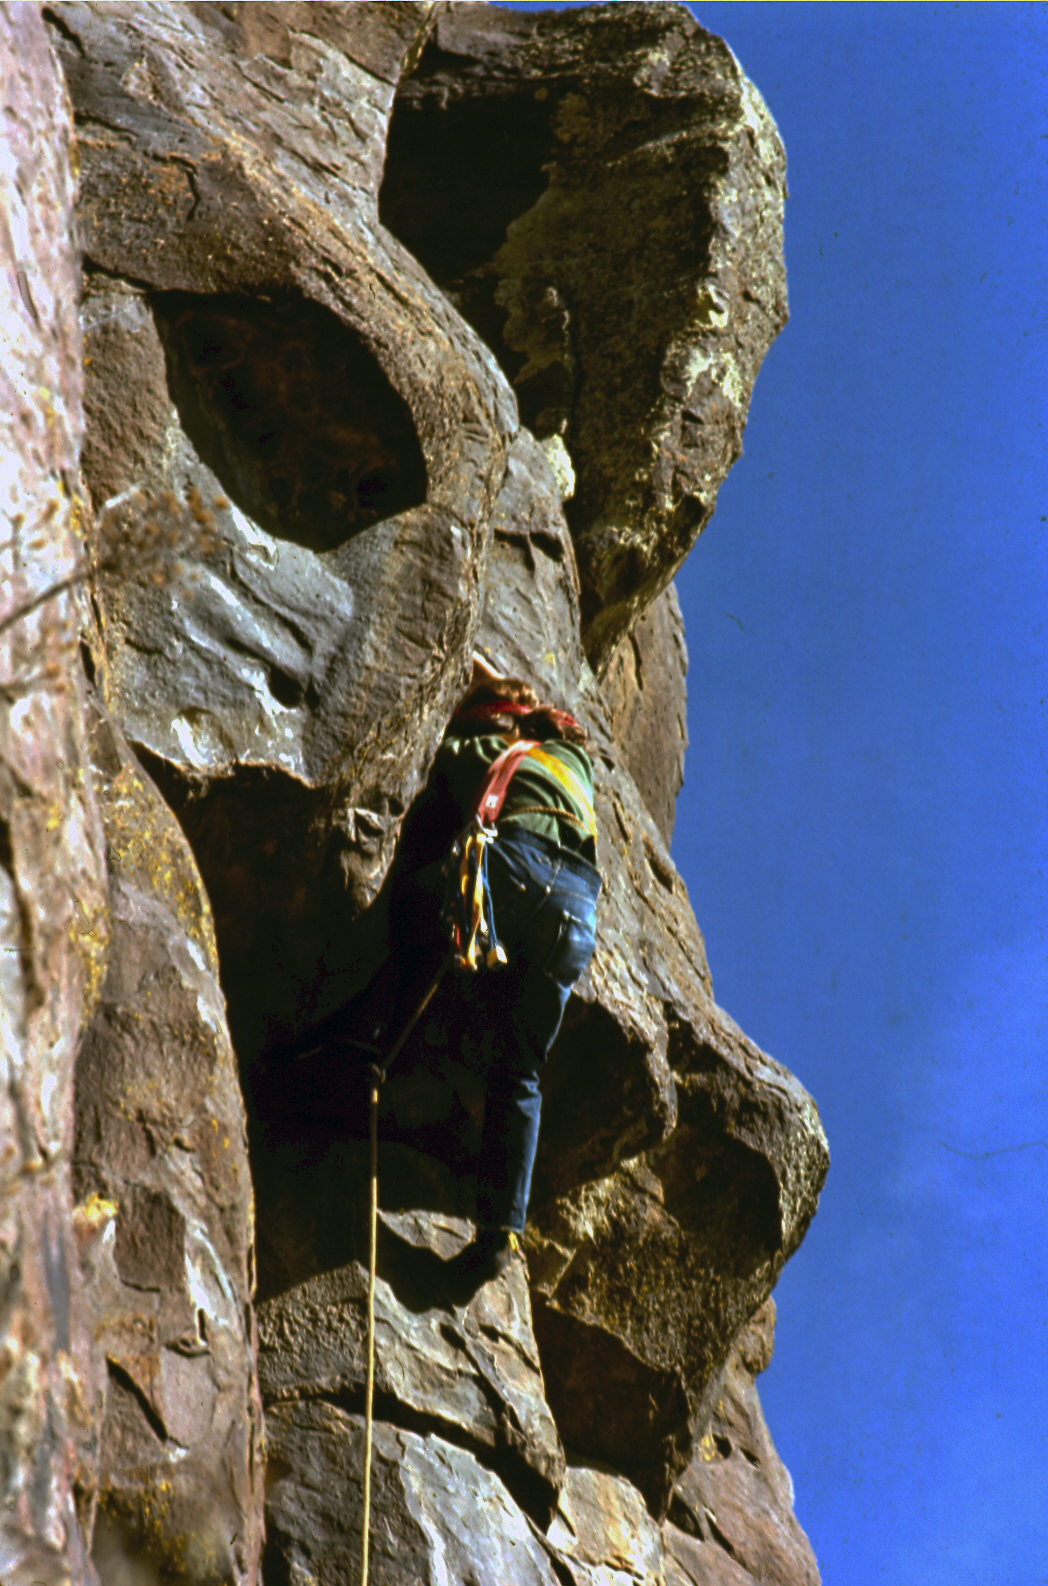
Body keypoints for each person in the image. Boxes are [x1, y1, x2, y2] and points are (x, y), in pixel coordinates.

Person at [389, 653, 602, 1290]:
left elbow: (447, 751)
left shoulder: (498, 749)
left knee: (418, 900)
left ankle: (365, 1049)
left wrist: (465, 702)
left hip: (517, 868)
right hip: (576, 913)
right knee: (520, 1069)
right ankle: (499, 1232)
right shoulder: (573, 765)